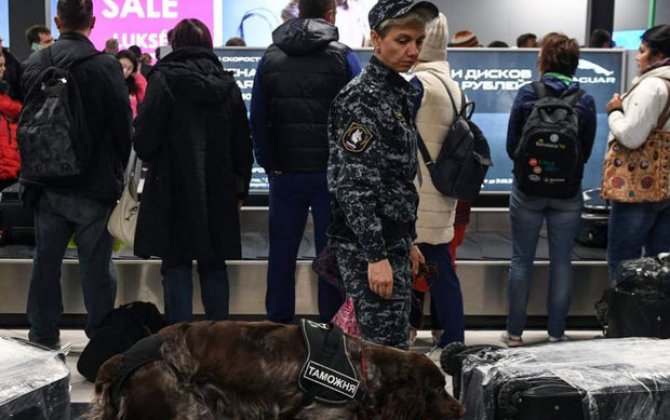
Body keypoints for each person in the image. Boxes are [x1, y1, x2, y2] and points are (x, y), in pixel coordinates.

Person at [21, 0, 133, 348]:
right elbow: (122, 127)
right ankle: (99, 339)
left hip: (44, 182)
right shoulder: (104, 66)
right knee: (96, 265)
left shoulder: (35, 63)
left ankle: (42, 337)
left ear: (57, 21)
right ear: (93, 22)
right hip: (92, 183)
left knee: (45, 262)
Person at [327, 0, 437, 349]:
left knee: (389, 348)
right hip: (370, 247)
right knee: (381, 355)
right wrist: (376, 257)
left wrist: (409, 241)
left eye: (418, 42)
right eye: (402, 40)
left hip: (392, 240)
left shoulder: (395, 92)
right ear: (376, 39)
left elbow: (395, 179)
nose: (412, 51)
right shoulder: (363, 98)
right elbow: (353, 185)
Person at [133, 18, 253, 325]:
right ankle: (221, 344)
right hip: (218, 190)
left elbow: (145, 142)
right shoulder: (228, 85)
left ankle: (179, 343)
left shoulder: (163, 81)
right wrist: (240, 189)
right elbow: (243, 144)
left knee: (176, 265)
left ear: (175, 45)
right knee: (214, 264)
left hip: (172, 191)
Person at [251, 0, 362, 324]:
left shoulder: (270, 56)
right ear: (331, 14)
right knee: (331, 256)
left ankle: (277, 327)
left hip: (286, 174)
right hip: (331, 176)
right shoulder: (343, 55)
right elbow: (357, 117)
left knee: (281, 255)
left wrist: (270, 164)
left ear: (298, 12)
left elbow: (258, 118)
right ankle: (331, 331)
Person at [503, 33, 596, 346]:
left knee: (520, 261)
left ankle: (514, 333)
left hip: (527, 190)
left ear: (543, 59)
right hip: (567, 193)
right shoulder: (584, 99)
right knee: (561, 262)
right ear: (574, 63)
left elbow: (511, 145)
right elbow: (584, 150)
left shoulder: (527, 93)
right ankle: (556, 333)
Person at [408, 12, 465, 357]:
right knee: (441, 270)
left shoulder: (419, 85)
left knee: (433, 271)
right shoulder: (450, 83)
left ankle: (453, 342)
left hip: (418, 196)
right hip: (440, 193)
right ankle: (454, 342)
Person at [606, 25, 670, 282]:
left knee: (624, 262)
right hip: (666, 186)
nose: (636, 56)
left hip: (637, 188)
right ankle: (657, 320)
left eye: (642, 51)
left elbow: (632, 137)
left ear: (661, 57)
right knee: (661, 264)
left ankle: (624, 322)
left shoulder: (651, 87)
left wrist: (615, 111)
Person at [0, 54, 21, 191]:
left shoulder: (6, 98)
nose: (3, 69)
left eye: (3, 65)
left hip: (9, 170)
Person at [115, 49, 146, 118]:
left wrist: (137, 75)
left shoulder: (134, 83)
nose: (125, 71)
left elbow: (144, 99)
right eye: (123, 66)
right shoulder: (107, 81)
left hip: (131, 125)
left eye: (129, 68)